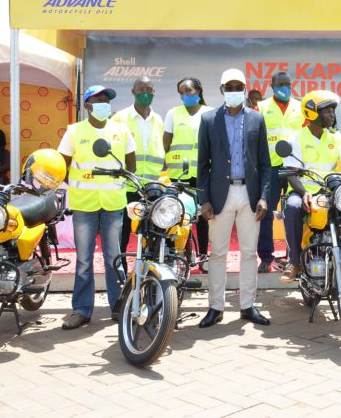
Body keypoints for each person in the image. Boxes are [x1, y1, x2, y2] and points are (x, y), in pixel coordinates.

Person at [196, 68, 271, 328]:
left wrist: (263, 197)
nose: (235, 91)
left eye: (239, 87)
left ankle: (247, 306)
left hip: (249, 195)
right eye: (230, 87)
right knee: (218, 253)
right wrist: (204, 199)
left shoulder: (256, 120)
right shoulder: (208, 120)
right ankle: (215, 307)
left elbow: (265, 165)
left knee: (249, 253)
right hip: (220, 196)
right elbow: (202, 165)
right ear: (221, 91)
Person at [57, 85, 136, 329]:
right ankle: (81, 309)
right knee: (83, 260)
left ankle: (118, 306)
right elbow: (62, 166)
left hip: (113, 204)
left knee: (114, 258)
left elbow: (130, 166)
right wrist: (82, 185)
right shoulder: (73, 131)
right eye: (98, 99)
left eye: (107, 99)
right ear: (87, 105)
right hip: (84, 205)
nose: (104, 103)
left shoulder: (122, 131)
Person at [280, 90, 341, 283]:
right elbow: (291, 173)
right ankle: (294, 261)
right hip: (303, 191)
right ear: (312, 113)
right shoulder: (297, 138)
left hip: (330, 192)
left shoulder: (335, 137)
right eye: (327, 111)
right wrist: (304, 192)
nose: (332, 115)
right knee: (292, 207)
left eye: (333, 111)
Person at [255, 72, 305, 273]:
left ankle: (297, 256)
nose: (285, 88)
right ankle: (266, 257)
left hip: (295, 166)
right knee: (266, 211)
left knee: (298, 210)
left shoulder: (300, 106)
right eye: (280, 84)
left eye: (288, 84)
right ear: (272, 85)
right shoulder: (261, 107)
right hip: (271, 166)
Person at [113, 77, 164, 257]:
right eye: (141, 89)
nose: (145, 93)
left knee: (151, 232)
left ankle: (147, 269)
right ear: (133, 91)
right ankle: (122, 268)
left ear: (154, 93)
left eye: (149, 89)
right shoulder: (120, 117)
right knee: (123, 231)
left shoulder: (157, 120)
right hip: (127, 185)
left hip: (151, 186)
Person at [164, 77, 213, 262]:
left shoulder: (210, 113)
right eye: (182, 93)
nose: (185, 95)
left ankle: (202, 255)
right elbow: (166, 143)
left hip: (202, 174)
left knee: (202, 216)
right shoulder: (173, 114)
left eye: (189, 91)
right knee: (180, 215)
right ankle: (184, 252)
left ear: (199, 91)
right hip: (179, 175)